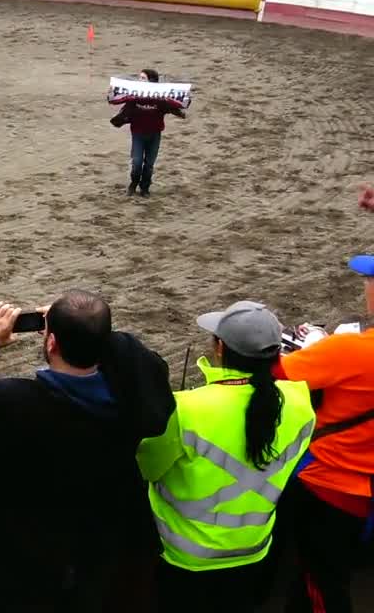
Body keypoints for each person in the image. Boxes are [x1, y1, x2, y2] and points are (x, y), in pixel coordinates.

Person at [0, 293, 175, 611]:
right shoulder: (133, 401)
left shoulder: (14, 402)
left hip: (22, 564)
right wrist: (87, 330)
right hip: (100, 556)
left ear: (50, 344)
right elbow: (151, 364)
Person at [137, 302, 314, 613]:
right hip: (255, 550)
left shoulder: (186, 408)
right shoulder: (300, 402)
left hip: (185, 557)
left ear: (219, 348)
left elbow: (149, 469)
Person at [275, 261, 374, 613]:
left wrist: (314, 345)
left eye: (369, 279)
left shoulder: (351, 350)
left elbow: (273, 371)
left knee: (322, 583)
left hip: (335, 487)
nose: (366, 285)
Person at [110, 68, 185, 198]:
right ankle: (133, 184)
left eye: (143, 78)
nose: (140, 80)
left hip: (155, 134)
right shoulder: (134, 98)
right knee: (137, 162)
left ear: (152, 81)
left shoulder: (160, 99)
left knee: (149, 163)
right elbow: (124, 111)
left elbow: (173, 107)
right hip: (138, 134)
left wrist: (180, 112)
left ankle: (145, 188)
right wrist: (118, 120)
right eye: (139, 78)